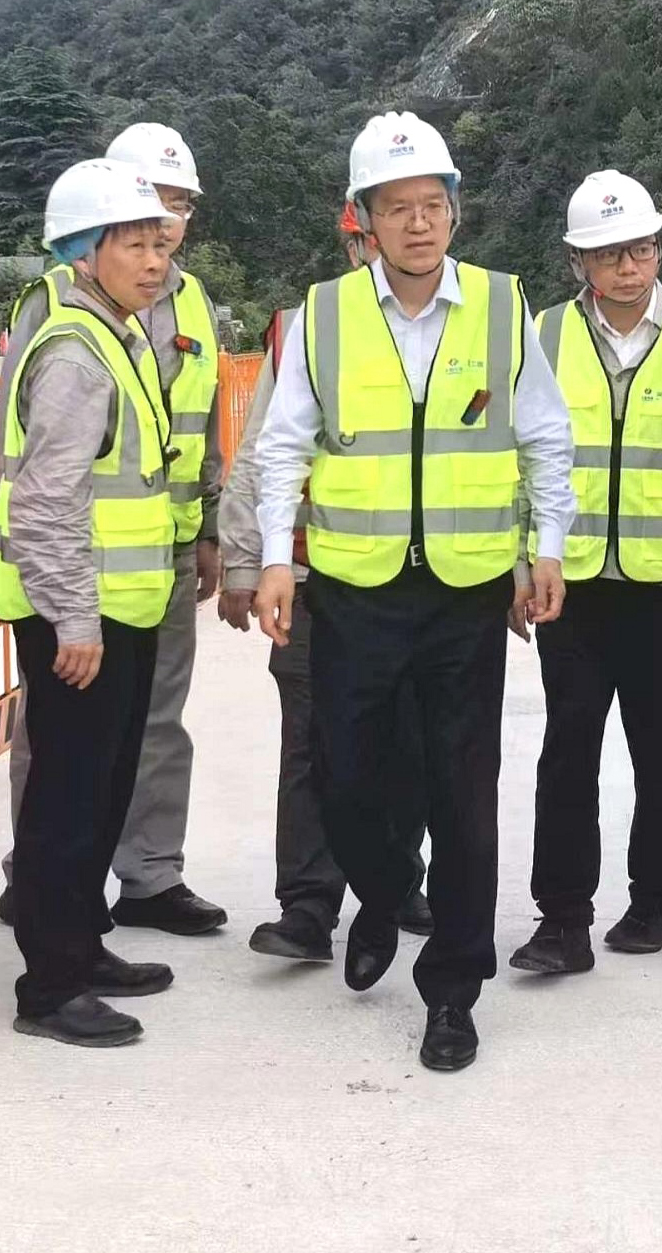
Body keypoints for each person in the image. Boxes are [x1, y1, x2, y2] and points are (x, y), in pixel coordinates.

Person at [251, 111, 577, 1072]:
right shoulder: (323, 316)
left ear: (455, 211)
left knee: (464, 794)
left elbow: (544, 436)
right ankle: (386, 888)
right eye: (397, 207)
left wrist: (546, 546)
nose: (419, 222)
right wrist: (275, 557)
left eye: (433, 204)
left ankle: (453, 991)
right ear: (364, 218)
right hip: (355, 590)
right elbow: (282, 445)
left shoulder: (504, 307)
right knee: (347, 780)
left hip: (467, 594)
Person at [507, 171, 662, 977]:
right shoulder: (544, 336)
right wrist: (520, 560)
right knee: (568, 750)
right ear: (579, 260)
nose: (628, 266)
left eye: (641, 249)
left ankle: (657, 902)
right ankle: (562, 920)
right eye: (610, 253)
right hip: (572, 582)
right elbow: (522, 460)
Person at [0, 122, 228, 938]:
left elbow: (200, 422)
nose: (168, 222)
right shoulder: (56, 307)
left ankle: (148, 876)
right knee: (61, 738)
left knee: (152, 723)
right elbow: (25, 445)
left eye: (180, 206)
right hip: (78, 562)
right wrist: (63, 591)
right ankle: (45, 888)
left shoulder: (190, 300)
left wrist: (207, 526)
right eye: (152, 206)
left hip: (161, 550)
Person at [0, 158, 180, 1047]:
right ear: (84, 252)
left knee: (100, 790)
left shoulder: (112, 333)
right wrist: (73, 617)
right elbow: (46, 500)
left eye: (159, 244)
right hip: (80, 617)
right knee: (66, 798)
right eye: (134, 245)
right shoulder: (74, 350)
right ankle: (50, 985)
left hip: (118, 610)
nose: (155, 261)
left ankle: (82, 943)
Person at [218, 200, 432, 962]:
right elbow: (261, 451)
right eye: (365, 240)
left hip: (422, 574)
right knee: (311, 742)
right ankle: (308, 904)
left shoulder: (453, 326)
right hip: (317, 573)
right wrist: (246, 558)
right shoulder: (306, 326)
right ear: (353, 245)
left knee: (411, 739)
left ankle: (394, 879)